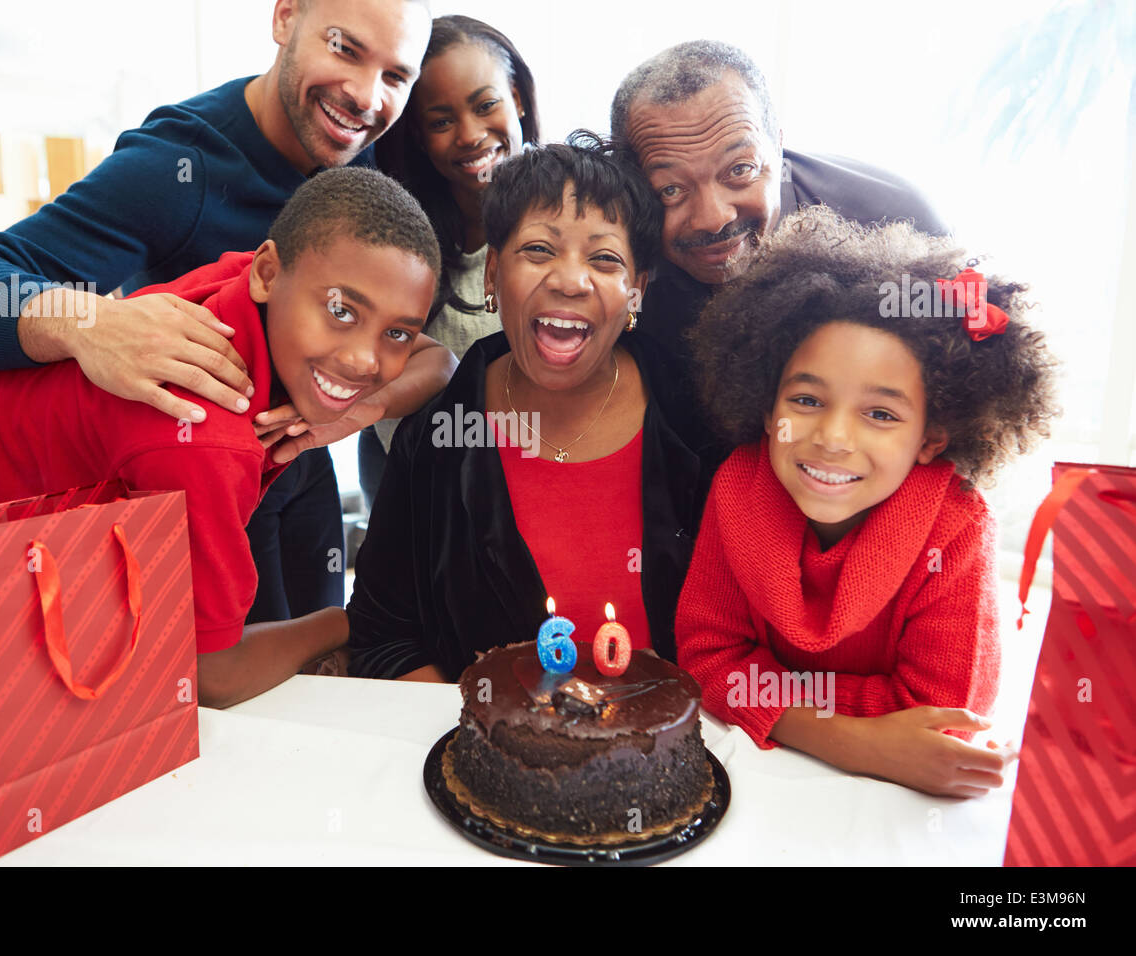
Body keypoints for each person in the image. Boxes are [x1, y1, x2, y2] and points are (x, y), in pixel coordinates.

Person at [0, 0, 451, 628]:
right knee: (226, 705)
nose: (365, 96)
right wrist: (94, 325)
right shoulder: (177, 169)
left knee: (321, 688)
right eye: (344, 48)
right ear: (284, 19)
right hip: (191, 490)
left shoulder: (357, 154)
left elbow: (431, 353)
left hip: (296, 473)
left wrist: (351, 412)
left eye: (395, 77)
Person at [0, 168, 440, 709]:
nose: (364, 359)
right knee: (55, 712)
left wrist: (355, 411)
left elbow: (440, 360)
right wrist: (342, 624)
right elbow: (212, 678)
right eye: (341, 311)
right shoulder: (202, 435)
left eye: (397, 333)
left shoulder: (250, 286)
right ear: (266, 272)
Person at [674, 206, 1059, 798]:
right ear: (766, 406)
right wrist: (857, 741)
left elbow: (941, 714)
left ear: (931, 437)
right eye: (806, 400)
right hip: (756, 784)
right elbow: (706, 658)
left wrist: (768, 690)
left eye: (880, 414)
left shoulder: (955, 525)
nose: (832, 438)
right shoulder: (739, 486)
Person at [346, 137, 727, 683]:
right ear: (493, 275)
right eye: (539, 251)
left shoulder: (701, 427)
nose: (570, 280)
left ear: (637, 291)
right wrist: (490, 738)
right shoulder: (437, 441)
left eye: (604, 259)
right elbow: (383, 637)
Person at [610, 40, 948, 362]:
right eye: (671, 190)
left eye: (739, 170)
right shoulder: (615, 267)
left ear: (779, 146)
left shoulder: (895, 224)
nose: (714, 218)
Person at [359, 14, 540, 507]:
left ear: (518, 98)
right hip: (408, 477)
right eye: (441, 121)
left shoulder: (571, 220)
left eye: (487, 105)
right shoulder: (395, 236)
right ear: (417, 135)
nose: (470, 134)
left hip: (527, 482)